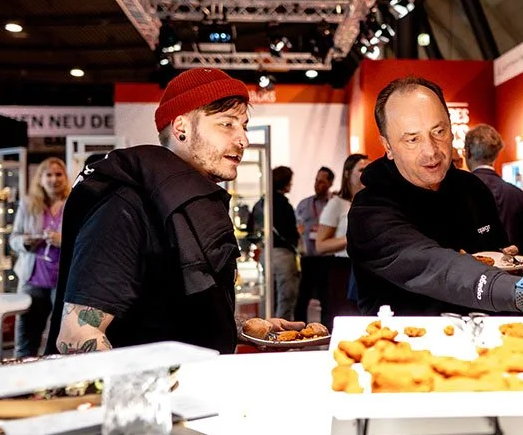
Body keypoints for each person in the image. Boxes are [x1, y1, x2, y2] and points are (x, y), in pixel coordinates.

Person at [49, 68, 299, 354]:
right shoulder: (126, 206)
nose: (243, 140)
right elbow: (76, 335)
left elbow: (168, 315)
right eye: (227, 124)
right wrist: (149, 384)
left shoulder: (192, 205)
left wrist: (240, 328)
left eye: (244, 126)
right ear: (181, 128)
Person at [347, 77, 523, 339]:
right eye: (412, 139)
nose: (431, 151)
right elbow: (435, 268)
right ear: (388, 146)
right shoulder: (370, 211)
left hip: (484, 341)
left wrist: (507, 261)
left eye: (439, 131)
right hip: (405, 346)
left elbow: (494, 252)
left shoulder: (472, 188)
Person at [9, 157, 70, 357]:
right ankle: (22, 375)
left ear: (65, 177)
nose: (54, 179)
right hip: (32, 280)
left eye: (59, 174)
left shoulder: (73, 203)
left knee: (61, 338)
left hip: (63, 281)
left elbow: (84, 240)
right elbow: (14, 238)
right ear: (40, 179)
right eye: (49, 175)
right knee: (26, 339)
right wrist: (25, 242)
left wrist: (63, 240)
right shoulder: (28, 204)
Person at [466, 124, 523, 255]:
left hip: (469, 266)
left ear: (468, 152)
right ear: (496, 154)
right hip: (511, 266)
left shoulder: (455, 192)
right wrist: (516, 248)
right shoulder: (520, 196)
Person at [315, 153, 368, 325]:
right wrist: (352, 238)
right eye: (361, 169)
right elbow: (320, 245)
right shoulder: (337, 203)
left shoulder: (374, 201)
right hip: (343, 270)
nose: (367, 173)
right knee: (346, 318)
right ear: (348, 174)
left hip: (368, 267)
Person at [248, 166, 300, 320]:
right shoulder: (283, 204)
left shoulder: (261, 203)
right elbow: (290, 232)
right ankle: (282, 330)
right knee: (286, 297)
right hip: (283, 254)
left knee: (268, 295)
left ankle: (266, 327)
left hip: (265, 253)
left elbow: (251, 231)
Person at [294, 166, 335, 322]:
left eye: (322, 182)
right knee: (303, 297)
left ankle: (327, 329)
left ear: (330, 183)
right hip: (308, 257)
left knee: (327, 298)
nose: (317, 184)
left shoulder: (334, 204)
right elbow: (296, 225)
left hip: (327, 258)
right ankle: (300, 327)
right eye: (316, 181)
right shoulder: (304, 204)